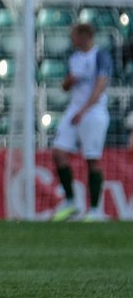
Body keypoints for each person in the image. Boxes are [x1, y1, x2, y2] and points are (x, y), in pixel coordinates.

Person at [51, 22, 112, 222]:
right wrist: (69, 81)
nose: (71, 39)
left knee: (92, 159)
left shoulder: (100, 56)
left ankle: (94, 210)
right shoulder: (74, 58)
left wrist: (85, 110)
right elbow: (65, 86)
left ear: (85, 36)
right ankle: (70, 202)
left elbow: (100, 85)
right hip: (74, 110)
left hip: (93, 111)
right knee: (58, 152)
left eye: (74, 35)